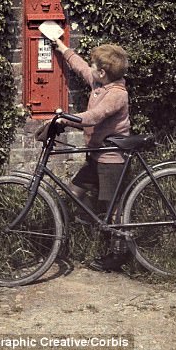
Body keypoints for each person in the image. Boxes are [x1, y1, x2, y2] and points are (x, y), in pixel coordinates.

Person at [52, 37, 131, 272]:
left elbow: (95, 116)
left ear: (103, 73)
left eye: (95, 66)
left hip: (111, 159)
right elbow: (81, 67)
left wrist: (64, 118)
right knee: (74, 191)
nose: (91, 68)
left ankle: (119, 255)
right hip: (96, 156)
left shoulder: (117, 94)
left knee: (113, 209)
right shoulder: (99, 84)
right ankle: (92, 220)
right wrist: (63, 48)